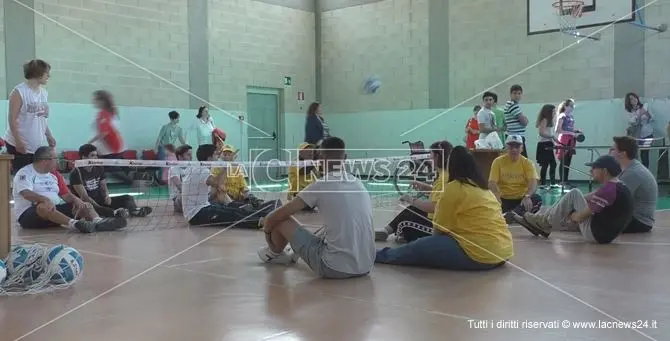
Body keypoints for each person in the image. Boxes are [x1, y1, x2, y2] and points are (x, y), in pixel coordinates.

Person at [375, 146, 512, 270]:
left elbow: (439, 229)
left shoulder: (454, 187)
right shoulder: (483, 189)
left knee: (418, 246)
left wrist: (431, 246)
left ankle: (377, 255)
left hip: (480, 256)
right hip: (503, 252)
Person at [257, 137, 375, 279]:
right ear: (345, 157)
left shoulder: (321, 184)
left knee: (282, 219)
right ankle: (294, 251)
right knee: (329, 228)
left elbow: (276, 216)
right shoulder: (358, 183)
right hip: (367, 265)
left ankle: (275, 254)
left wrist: (268, 232)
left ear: (320, 159)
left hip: (334, 267)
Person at [514, 155, 634, 244]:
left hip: (596, 234)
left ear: (604, 170)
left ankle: (543, 223)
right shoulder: (619, 186)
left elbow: (580, 216)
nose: (590, 171)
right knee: (568, 204)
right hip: (605, 233)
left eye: (594, 168)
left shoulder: (608, 190)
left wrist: (572, 215)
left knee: (574, 193)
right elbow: (590, 197)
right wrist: (566, 206)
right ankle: (544, 222)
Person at [12, 146, 126, 233]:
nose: (58, 161)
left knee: (84, 204)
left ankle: (98, 222)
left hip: (54, 211)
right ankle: (75, 224)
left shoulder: (54, 175)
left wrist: (77, 200)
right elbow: (26, 193)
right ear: (45, 160)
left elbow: (66, 195)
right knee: (42, 206)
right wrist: (45, 199)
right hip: (30, 215)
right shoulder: (25, 173)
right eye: (55, 158)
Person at [375, 141, 453, 243]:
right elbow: (441, 195)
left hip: (439, 227)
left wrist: (411, 199)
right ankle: (386, 230)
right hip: (443, 219)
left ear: (437, 157)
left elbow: (433, 208)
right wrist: (425, 187)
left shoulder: (443, 178)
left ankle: (402, 233)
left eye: (431, 156)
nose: (429, 160)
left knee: (406, 221)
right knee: (412, 209)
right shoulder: (446, 174)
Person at [181, 144, 276, 227]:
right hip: (197, 214)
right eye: (215, 155)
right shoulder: (201, 170)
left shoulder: (198, 168)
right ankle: (261, 222)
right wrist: (227, 165)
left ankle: (267, 216)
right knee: (232, 215)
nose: (217, 158)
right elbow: (217, 184)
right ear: (209, 158)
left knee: (233, 209)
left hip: (205, 207)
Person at [69, 144, 153, 218]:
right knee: (94, 207)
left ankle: (135, 211)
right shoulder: (76, 172)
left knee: (128, 197)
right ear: (84, 157)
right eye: (92, 155)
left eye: (96, 155)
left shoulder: (99, 168)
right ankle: (114, 213)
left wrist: (107, 196)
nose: (96, 158)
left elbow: (103, 186)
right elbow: (84, 197)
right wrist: (98, 206)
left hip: (100, 200)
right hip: (88, 204)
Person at [3, 59, 56, 174]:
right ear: (38, 73)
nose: (48, 76)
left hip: (35, 146)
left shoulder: (44, 93)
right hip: (19, 144)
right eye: (47, 73)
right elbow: (12, 120)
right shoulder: (19, 92)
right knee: (21, 178)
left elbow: (41, 118)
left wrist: (49, 135)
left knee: (33, 178)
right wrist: (18, 141)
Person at [489, 135, 542, 222]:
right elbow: (492, 182)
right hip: (503, 199)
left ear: (522, 148)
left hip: (521, 200)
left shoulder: (528, 163)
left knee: (537, 199)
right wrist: (497, 196)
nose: (514, 149)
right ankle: (515, 215)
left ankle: (509, 215)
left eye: (517, 146)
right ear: (506, 148)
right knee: (488, 199)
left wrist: (527, 196)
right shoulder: (497, 162)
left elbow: (533, 182)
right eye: (511, 147)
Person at [610, 136, 658, 233]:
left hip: (638, 222)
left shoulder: (633, 173)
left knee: (593, 220)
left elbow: (610, 198)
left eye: (612, 149)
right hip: (636, 219)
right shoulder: (628, 169)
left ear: (622, 154)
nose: (610, 152)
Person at [88, 90, 132, 184]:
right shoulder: (110, 112)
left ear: (101, 101)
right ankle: (132, 179)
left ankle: (132, 181)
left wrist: (89, 142)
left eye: (95, 99)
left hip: (110, 147)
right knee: (111, 167)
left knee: (109, 168)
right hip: (113, 146)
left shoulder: (103, 114)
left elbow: (104, 133)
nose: (93, 101)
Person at [555, 99, 582, 188]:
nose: (572, 107)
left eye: (573, 106)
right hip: (564, 140)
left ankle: (565, 181)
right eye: (570, 105)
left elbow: (570, 129)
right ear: (565, 106)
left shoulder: (571, 116)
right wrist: (570, 133)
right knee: (563, 161)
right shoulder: (562, 116)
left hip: (571, 140)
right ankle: (562, 182)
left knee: (568, 161)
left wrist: (576, 131)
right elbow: (558, 130)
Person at [624, 92, 653, 168]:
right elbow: (632, 122)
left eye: (635, 97)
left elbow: (652, 117)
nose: (634, 100)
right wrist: (639, 113)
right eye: (631, 99)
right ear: (628, 101)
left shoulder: (645, 106)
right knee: (634, 155)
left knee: (645, 154)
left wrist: (646, 114)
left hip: (647, 134)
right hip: (636, 136)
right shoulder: (629, 112)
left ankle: (645, 175)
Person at [535, 104, 558, 189]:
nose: (555, 113)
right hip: (543, 145)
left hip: (548, 143)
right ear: (548, 112)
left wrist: (553, 142)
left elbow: (549, 134)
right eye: (553, 111)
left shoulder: (549, 121)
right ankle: (543, 183)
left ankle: (552, 183)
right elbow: (541, 133)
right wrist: (552, 137)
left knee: (553, 164)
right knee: (545, 165)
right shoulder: (544, 120)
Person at [503, 84, 529, 157]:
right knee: (521, 161)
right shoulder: (512, 105)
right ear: (510, 94)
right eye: (514, 93)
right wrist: (525, 118)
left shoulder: (512, 105)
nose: (517, 95)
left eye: (519, 93)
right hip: (515, 137)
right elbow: (524, 122)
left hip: (515, 136)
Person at [169, 144, 193, 214]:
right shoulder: (173, 169)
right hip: (179, 198)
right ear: (180, 157)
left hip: (191, 195)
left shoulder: (193, 167)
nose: (191, 157)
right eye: (188, 155)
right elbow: (180, 187)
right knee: (183, 195)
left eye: (191, 154)